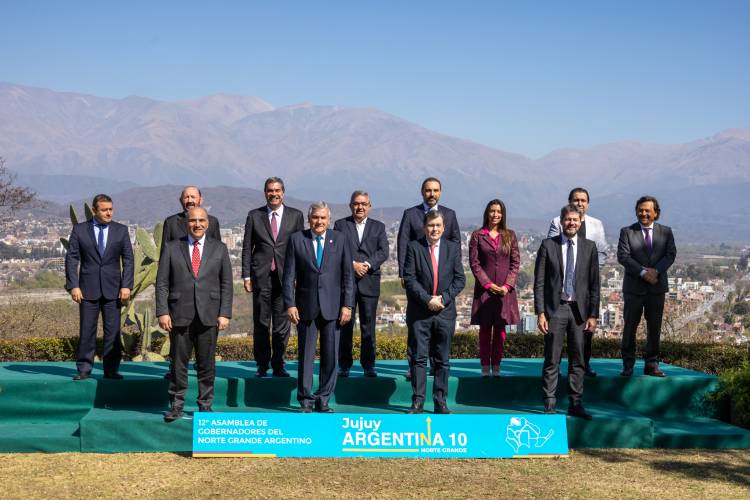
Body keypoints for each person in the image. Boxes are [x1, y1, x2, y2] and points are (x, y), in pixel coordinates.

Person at [156, 207, 233, 421]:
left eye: (201, 220)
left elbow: (226, 284)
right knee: (178, 364)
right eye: (193, 221)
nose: (197, 224)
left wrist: (225, 313)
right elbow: (162, 283)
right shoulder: (172, 248)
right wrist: (162, 311)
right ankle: (177, 405)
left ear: (208, 223)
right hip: (179, 314)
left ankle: (205, 405)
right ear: (186, 223)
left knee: (206, 364)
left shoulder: (220, 248)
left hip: (210, 314)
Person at [283, 202, 354, 412]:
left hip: (334, 307)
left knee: (331, 356)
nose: (319, 221)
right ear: (309, 218)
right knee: (305, 356)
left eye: (323, 218)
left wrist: (347, 305)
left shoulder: (340, 239)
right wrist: (289, 304)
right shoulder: (297, 240)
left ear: (329, 220)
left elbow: (348, 276)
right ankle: (305, 400)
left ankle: (323, 399)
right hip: (305, 307)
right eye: (315, 217)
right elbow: (288, 276)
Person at [534, 204, 600, 420]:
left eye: (575, 220)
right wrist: (541, 313)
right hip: (556, 310)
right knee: (552, 358)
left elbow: (594, 284)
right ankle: (549, 404)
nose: (571, 223)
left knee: (578, 360)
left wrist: (593, 315)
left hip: (580, 312)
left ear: (580, 222)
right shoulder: (548, 246)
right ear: (561, 222)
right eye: (568, 219)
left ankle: (575, 403)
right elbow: (540, 283)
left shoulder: (589, 247)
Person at [397, 177, 461, 379]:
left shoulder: (449, 215)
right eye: (428, 190)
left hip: (442, 280)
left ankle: (436, 364)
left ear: (440, 192)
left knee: (440, 325)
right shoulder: (411, 214)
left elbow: (456, 242)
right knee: (416, 323)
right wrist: (402, 273)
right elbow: (402, 242)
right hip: (417, 278)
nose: (431, 193)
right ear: (422, 192)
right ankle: (413, 365)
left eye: (435, 190)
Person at [65, 194, 134, 380]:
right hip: (87, 290)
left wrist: (126, 285)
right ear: (94, 210)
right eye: (104, 210)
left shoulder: (121, 230)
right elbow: (71, 258)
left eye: (111, 209)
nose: (109, 213)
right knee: (87, 330)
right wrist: (73, 286)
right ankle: (84, 370)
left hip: (114, 290)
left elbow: (128, 259)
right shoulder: (79, 230)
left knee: (113, 332)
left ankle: (111, 370)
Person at [403, 210, 465, 414]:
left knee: (442, 360)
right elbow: (409, 279)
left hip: (445, 312)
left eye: (438, 225)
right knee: (419, 359)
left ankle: (440, 401)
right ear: (424, 227)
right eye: (431, 225)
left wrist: (443, 299)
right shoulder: (414, 247)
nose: (434, 229)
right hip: (420, 312)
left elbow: (460, 280)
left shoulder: (453, 248)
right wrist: (427, 299)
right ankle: (418, 402)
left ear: (444, 228)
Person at [242, 177, 305, 378]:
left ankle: (279, 364)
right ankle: (262, 366)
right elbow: (246, 247)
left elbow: (300, 248)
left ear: (283, 193)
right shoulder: (254, 216)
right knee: (261, 324)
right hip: (260, 277)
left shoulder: (296, 216)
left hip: (285, 278)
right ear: (265, 193)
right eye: (270, 190)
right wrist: (246, 275)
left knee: (282, 325)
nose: (274, 194)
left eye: (277, 190)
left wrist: (298, 275)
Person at [547, 187, 607, 377]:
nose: (579, 203)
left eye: (583, 200)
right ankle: (555, 369)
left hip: (585, 286)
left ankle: (585, 364)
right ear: (569, 201)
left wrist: (590, 269)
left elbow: (602, 252)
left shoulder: (597, 224)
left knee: (586, 331)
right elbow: (551, 250)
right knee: (556, 335)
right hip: (562, 287)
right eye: (576, 200)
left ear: (588, 204)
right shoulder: (557, 222)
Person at [617, 195, 676, 378]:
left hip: (656, 288)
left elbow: (670, 254)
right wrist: (643, 273)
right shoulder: (627, 231)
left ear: (656, 213)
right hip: (634, 288)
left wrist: (656, 272)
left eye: (647, 210)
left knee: (654, 328)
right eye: (640, 210)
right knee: (630, 328)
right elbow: (623, 256)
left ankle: (652, 365)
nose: (643, 213)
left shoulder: (666, 232)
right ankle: (628, 365)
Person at [334, 191, 389, 377]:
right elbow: (336, 250)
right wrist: (352, 264)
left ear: (369, 206)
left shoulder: (379, 227)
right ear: (350, 206)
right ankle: (344, 365)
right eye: (356, 203)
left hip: (369, 282)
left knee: (369, 326)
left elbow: (383, 252)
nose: (360, 207)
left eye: (364, 204)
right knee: (344, 324)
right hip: (346, 282)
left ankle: (368, 365)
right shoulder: (341, 225)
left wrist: (366, 264)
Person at [469, 199, 520, 377]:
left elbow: (515, 263)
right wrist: (488, 284)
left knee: (500, 331)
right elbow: (474, 264)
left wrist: (507, 286)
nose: (495, 214)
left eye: (499, 211)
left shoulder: (510, 235)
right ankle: (484, 367)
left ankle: (496, 366)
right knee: (484, 330)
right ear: (487, 213)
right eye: (492, 211)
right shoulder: (477, 236)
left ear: (503, 214)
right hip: (484, 290)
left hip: (505, 292)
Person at [161, 186, 221, 252]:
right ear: (181, 201)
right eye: (186, 197)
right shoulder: (171, 223)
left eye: (193, 197)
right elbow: (165, 253)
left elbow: (218, 250)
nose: (189, 200)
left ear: (200, 200)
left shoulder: (212, 222)